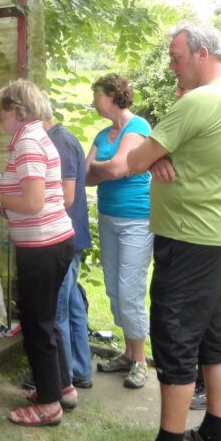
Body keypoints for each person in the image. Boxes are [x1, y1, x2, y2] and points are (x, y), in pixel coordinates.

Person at [109, 23, 221, 441]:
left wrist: (153, 155)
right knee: (216, 338)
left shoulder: (199, 101)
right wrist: (162, 154)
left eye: (176, 57)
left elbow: (131, 161)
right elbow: (163, 152)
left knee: (174, 340)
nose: (172, 64)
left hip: (190, 239)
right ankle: (214, 434)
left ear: (202, 54)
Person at [0, 79, 75, 428]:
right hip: (50, 241)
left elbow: (34, 202)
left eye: (2, 109)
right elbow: (37, 200)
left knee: (37, 325)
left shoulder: (29, 143)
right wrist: (6, 207)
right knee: (45, 320)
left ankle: (49, 405)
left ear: (15, 110)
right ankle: (62, 387)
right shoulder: (36, 138)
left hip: (42, 246)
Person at [85, 73, 152, 390]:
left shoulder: (137, 128)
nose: (93, 101)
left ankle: (140, 361)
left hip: (137, 220)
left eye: (97, 94)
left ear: (112, 95)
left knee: (130, 290)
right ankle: (128, 353)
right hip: (109, 218)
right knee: (114, 288)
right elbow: (85, 176)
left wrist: (103, 169)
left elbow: (118, 168)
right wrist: (103, 170)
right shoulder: (102, 133)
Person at [30, 98, 93, 389]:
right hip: (71, 234)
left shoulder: (58, 142)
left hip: (63, 236)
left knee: (59, 310)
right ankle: (79, 369)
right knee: (72, 305)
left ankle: (61, 377)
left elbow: (66, 197)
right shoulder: (58, 139)